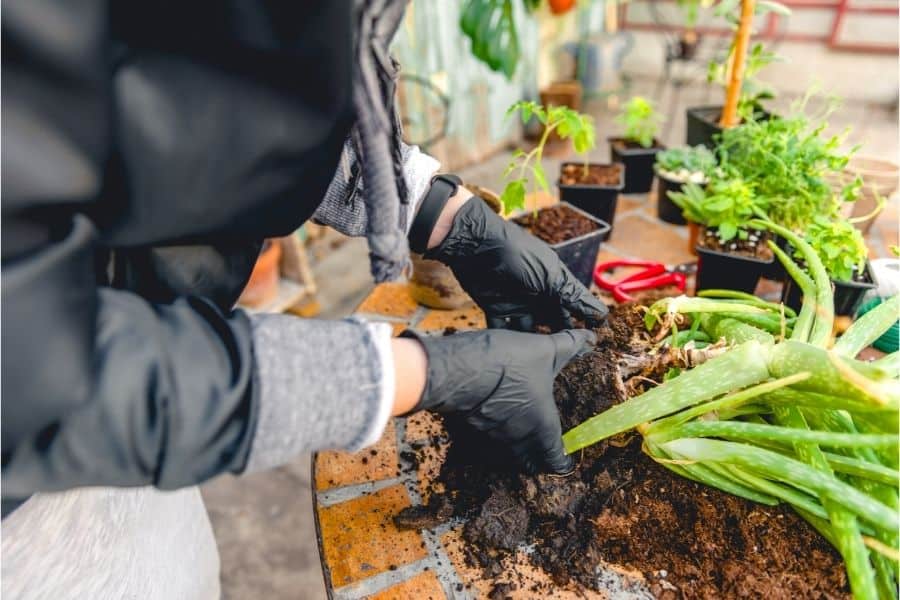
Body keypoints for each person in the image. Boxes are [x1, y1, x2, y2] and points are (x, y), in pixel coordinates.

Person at [1, 1, 608, 597]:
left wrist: (442, 213)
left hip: (150, 418)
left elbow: (220, 101)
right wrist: (413, 373)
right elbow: (32, 376)